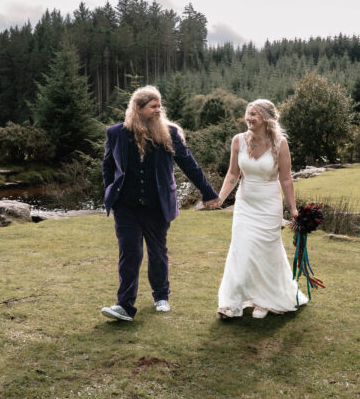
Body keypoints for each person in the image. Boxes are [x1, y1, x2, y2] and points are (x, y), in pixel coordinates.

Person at [101, 86, 219, 322]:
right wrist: (111, 194)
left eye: (159, 106)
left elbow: (190, 165)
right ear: (138, 108)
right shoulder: (116, 134)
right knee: (130, 253)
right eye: (153, 106)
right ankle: (124, 306)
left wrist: (208, 192)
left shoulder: (170, 134)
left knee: (157, 252)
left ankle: (161, 296)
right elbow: (108, 167)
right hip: (126, 207)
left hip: (158, 205)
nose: (158, 110)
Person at [206, 99, 308, 319]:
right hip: (245, 205)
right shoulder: (238, 141)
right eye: (248, 113)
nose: (249, 118)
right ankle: (230, 305)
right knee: (240, 251)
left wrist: (293, 209)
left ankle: (266, 300)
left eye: (254, 114)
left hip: (269, 206)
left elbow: (286, 178)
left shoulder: (280, 144)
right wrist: (221, 198)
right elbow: (233, 174)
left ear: (267, 118)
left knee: (265, 253)